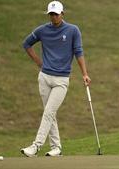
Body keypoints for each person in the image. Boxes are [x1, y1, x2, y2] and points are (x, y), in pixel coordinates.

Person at [21, 1, 91, 157]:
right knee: (49, 113)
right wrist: (39, 62)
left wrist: (84, 74)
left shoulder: (73, 30)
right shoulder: (42, 30)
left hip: (61, 80)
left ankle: (36, 146)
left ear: (62, 14)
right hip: (44, 77)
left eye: (56, 14)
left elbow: (78, 52)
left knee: (48, 112)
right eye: (51, 14)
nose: (53, 17)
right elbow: (26, 44)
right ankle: (56, 147)